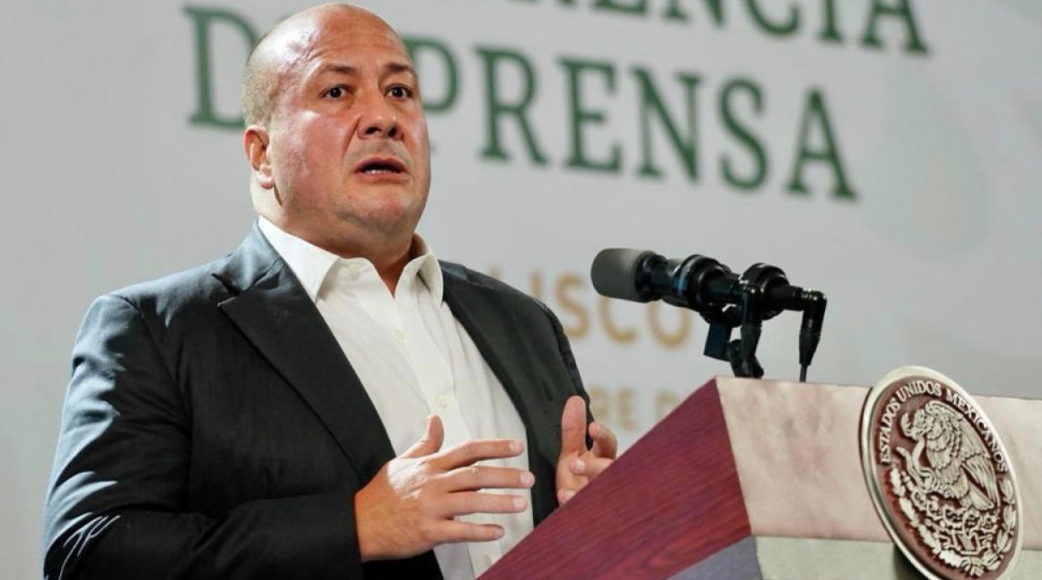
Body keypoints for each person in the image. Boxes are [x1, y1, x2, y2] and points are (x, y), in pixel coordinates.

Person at [42, 4, 616, 579]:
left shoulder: (523, 322)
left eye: (400, 91)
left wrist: (598, 516)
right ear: (262, 155)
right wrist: (356, 525)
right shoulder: (160, 330)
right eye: (337, 92)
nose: (383, 118)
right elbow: (88, 553)